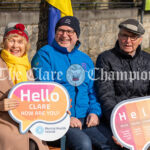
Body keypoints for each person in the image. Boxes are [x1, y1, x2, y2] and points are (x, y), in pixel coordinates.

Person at [31, 16, 111, 150]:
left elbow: (92, 91)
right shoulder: (45, 54)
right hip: (58, 121)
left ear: (77, 36)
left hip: (86, 119)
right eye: (61, 30)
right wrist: (64, 117)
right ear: (55, 33)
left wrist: (94, 112)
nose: (64, 35)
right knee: (83, 144)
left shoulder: (85, 59)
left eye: (70, 31)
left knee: (109, 143)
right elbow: (45, 91)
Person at [95, 18, 150, 149]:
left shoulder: (148, 59)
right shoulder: (105, 59)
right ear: (119, 36)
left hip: (144, 120)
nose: (128, 41)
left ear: (140, 40)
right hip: (118, 120)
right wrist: (119, 128)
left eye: (133, 37)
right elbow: (106, 96)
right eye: (124, 35)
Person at [0, 22, 49, 150]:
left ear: (25, 46)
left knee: (36, 143)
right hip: (4, 123)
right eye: (11, 41)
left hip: (28, 124)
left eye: (20, 42)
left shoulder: (27, 68)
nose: (15, 46)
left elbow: (37, 99)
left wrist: (59, 109)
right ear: (4, 43)